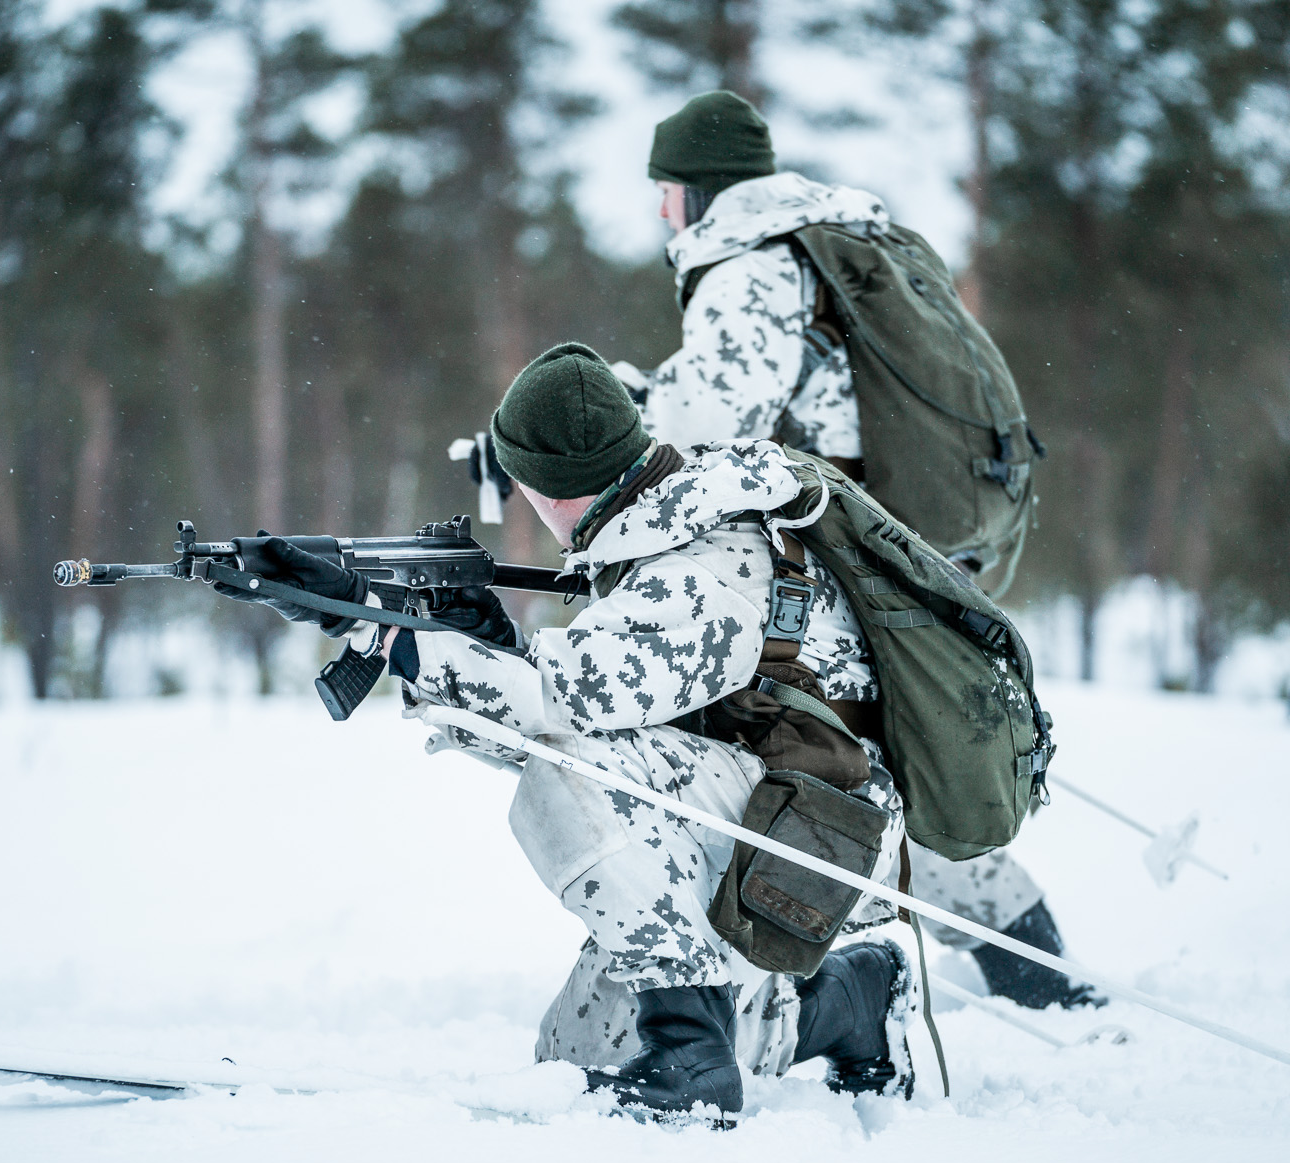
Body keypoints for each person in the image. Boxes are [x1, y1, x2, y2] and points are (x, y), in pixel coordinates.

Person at [225, 344, 918, 1119]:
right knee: (574, 1058)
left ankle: (691, 1057)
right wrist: (474, 649)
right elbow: (577, 708)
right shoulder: (659, 528)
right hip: (775, 810)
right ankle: (850, 1002)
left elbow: (557, 714)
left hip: (821, 830)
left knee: (564, 768)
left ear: (541, 482)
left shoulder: (700, 567)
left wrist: (387, 635)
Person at [618, 90, 1099, 1010]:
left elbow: (711, 420)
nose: (659, 212)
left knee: (873, 770)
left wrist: (596, 439)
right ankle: (1034, 972)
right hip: (905, 542)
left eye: (667, 190)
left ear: (699, 191)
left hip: (853, 561)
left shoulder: (751, 264)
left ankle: (1003, 982)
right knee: (904, 764)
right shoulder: (832, 238)